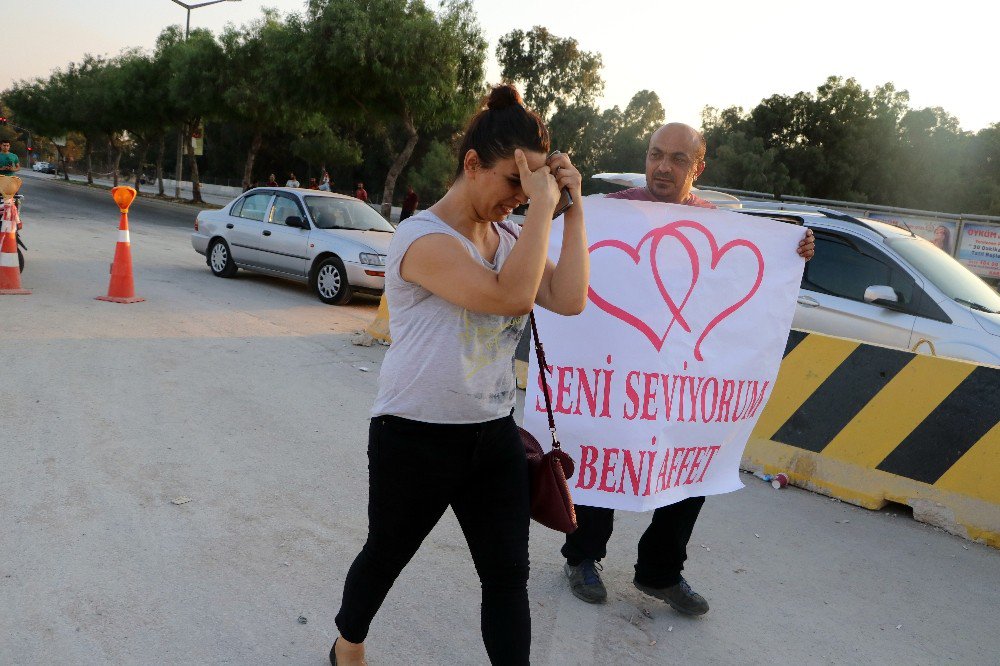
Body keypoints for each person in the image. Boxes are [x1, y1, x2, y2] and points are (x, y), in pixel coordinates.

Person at [330, 84, 590, 666]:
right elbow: (508, 296)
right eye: (513, 184)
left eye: (532, 191)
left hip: (494, 435)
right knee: (387, 554)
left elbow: (569, 298)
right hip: (414, 434)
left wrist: (573, 211)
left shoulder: (516, 237)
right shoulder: (420, 239)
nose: (521, 201)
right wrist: (545, 206)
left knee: (507, 575)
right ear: (472, 165)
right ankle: (347, 645)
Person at [562, 122, 816, 616]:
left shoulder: (721, 227)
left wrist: (795, 251)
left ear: (699, 166)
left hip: (684, 378)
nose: (662, 166)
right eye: (656, 154)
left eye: (677, 159)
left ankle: (660, 573)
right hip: (618, 369)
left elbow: (751, 288)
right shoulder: (610, 213)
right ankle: (583, 557)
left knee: (691, 467)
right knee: (603, 459)